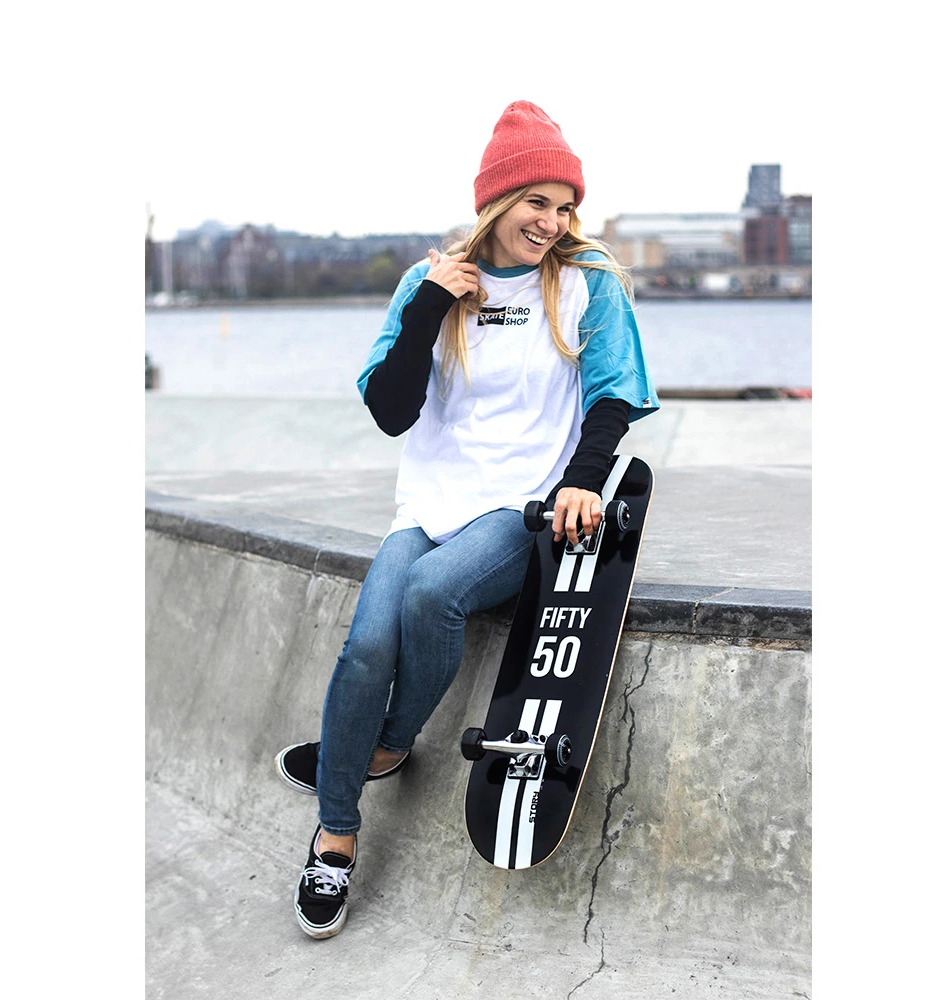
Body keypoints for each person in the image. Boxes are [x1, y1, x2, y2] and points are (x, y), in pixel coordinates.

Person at [273, 100, 658, 939]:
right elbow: (391, 412)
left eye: (565, 207)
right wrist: (427, 309)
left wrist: (581, 483)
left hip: (520, 506)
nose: (552, 223)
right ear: (497, 201)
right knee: (366, 644)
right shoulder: (432, 281)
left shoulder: (587, 282)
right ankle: (336, 832)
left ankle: (383, 745)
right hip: (428, 502)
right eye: (537, 203)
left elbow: (613, 396)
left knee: (431, 594)